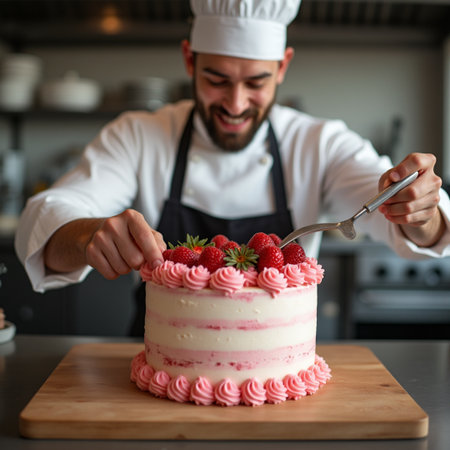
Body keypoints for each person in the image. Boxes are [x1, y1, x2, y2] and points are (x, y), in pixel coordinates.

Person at [15, 0, 450, 334]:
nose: (236, 104)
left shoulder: (320, 142)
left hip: (278, 386)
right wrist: (88, 233)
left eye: (256, 82)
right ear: (189, 60)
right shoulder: (138, 135)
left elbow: (416, 228)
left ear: (282, 68)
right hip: (159, 385)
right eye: (217, 80)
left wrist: (421, 212)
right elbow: (48, 216)